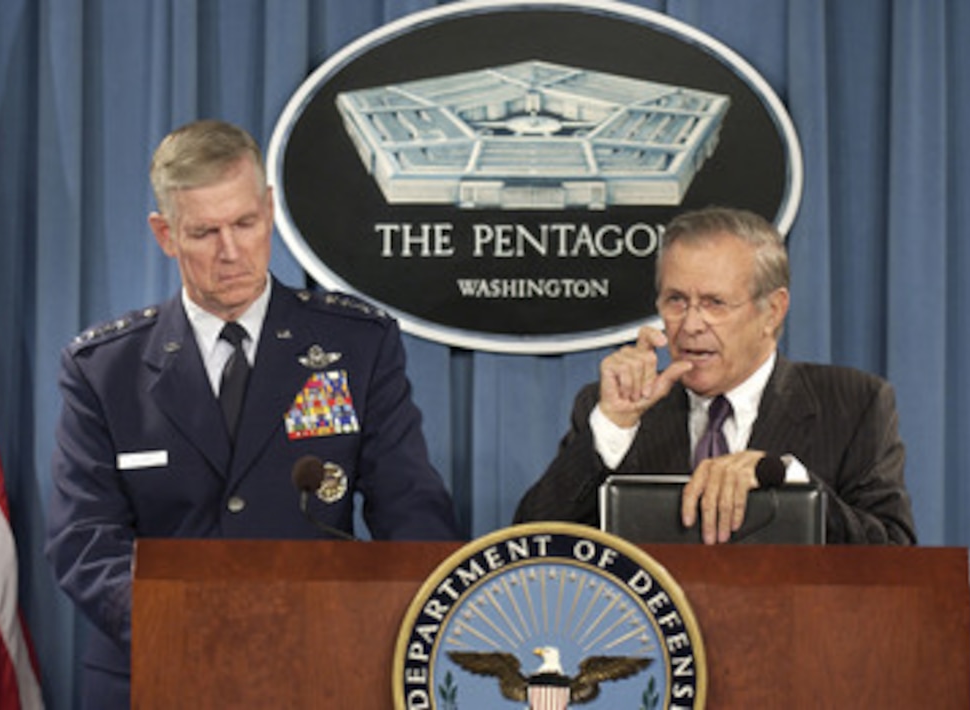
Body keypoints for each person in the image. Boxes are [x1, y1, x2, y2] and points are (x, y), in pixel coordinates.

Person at [45, 119, 461, 708]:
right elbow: (84, 540)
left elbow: (411, 508)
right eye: (205, 232)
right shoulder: (103, 368)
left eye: (245, 223)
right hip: (157, 670)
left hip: (322, 666)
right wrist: (197, 629)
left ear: (269, 209)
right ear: (165, 234)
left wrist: (396, 627)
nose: (232, 252)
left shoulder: (357, 344)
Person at [513, 206, 916, 546]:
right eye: (676, 301)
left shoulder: (853, 405)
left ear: (772, 312)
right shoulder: (616, 409)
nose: (690, 325)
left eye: (714, 303)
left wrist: (789, 481)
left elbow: (895, 556)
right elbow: (529, 547)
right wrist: (610, 430)